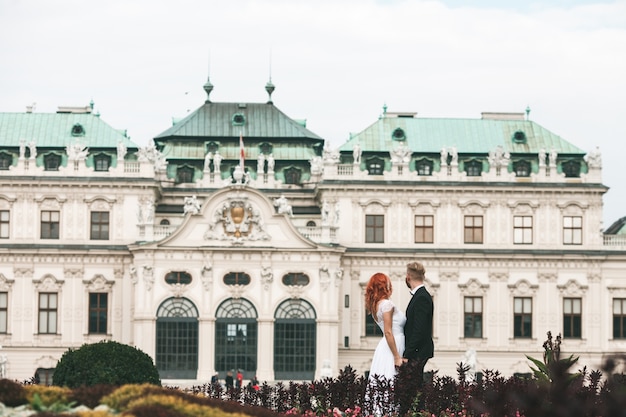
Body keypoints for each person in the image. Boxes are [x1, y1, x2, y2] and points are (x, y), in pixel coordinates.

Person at [400, 261, 434, 414]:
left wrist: (407, 354)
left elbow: (419, 330)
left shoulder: (421, 297)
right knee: (414, 387)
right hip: (418, 350)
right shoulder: (422, 296)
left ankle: (417, 413)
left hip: (417, 351)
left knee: (414, 388)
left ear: (408, 277)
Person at [365, 272, 406, 380]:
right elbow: (388, 332)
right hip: (394, 344)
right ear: (384, 286)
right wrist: (397, 357)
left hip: (386, 345)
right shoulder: (387, 304)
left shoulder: (375, 306)